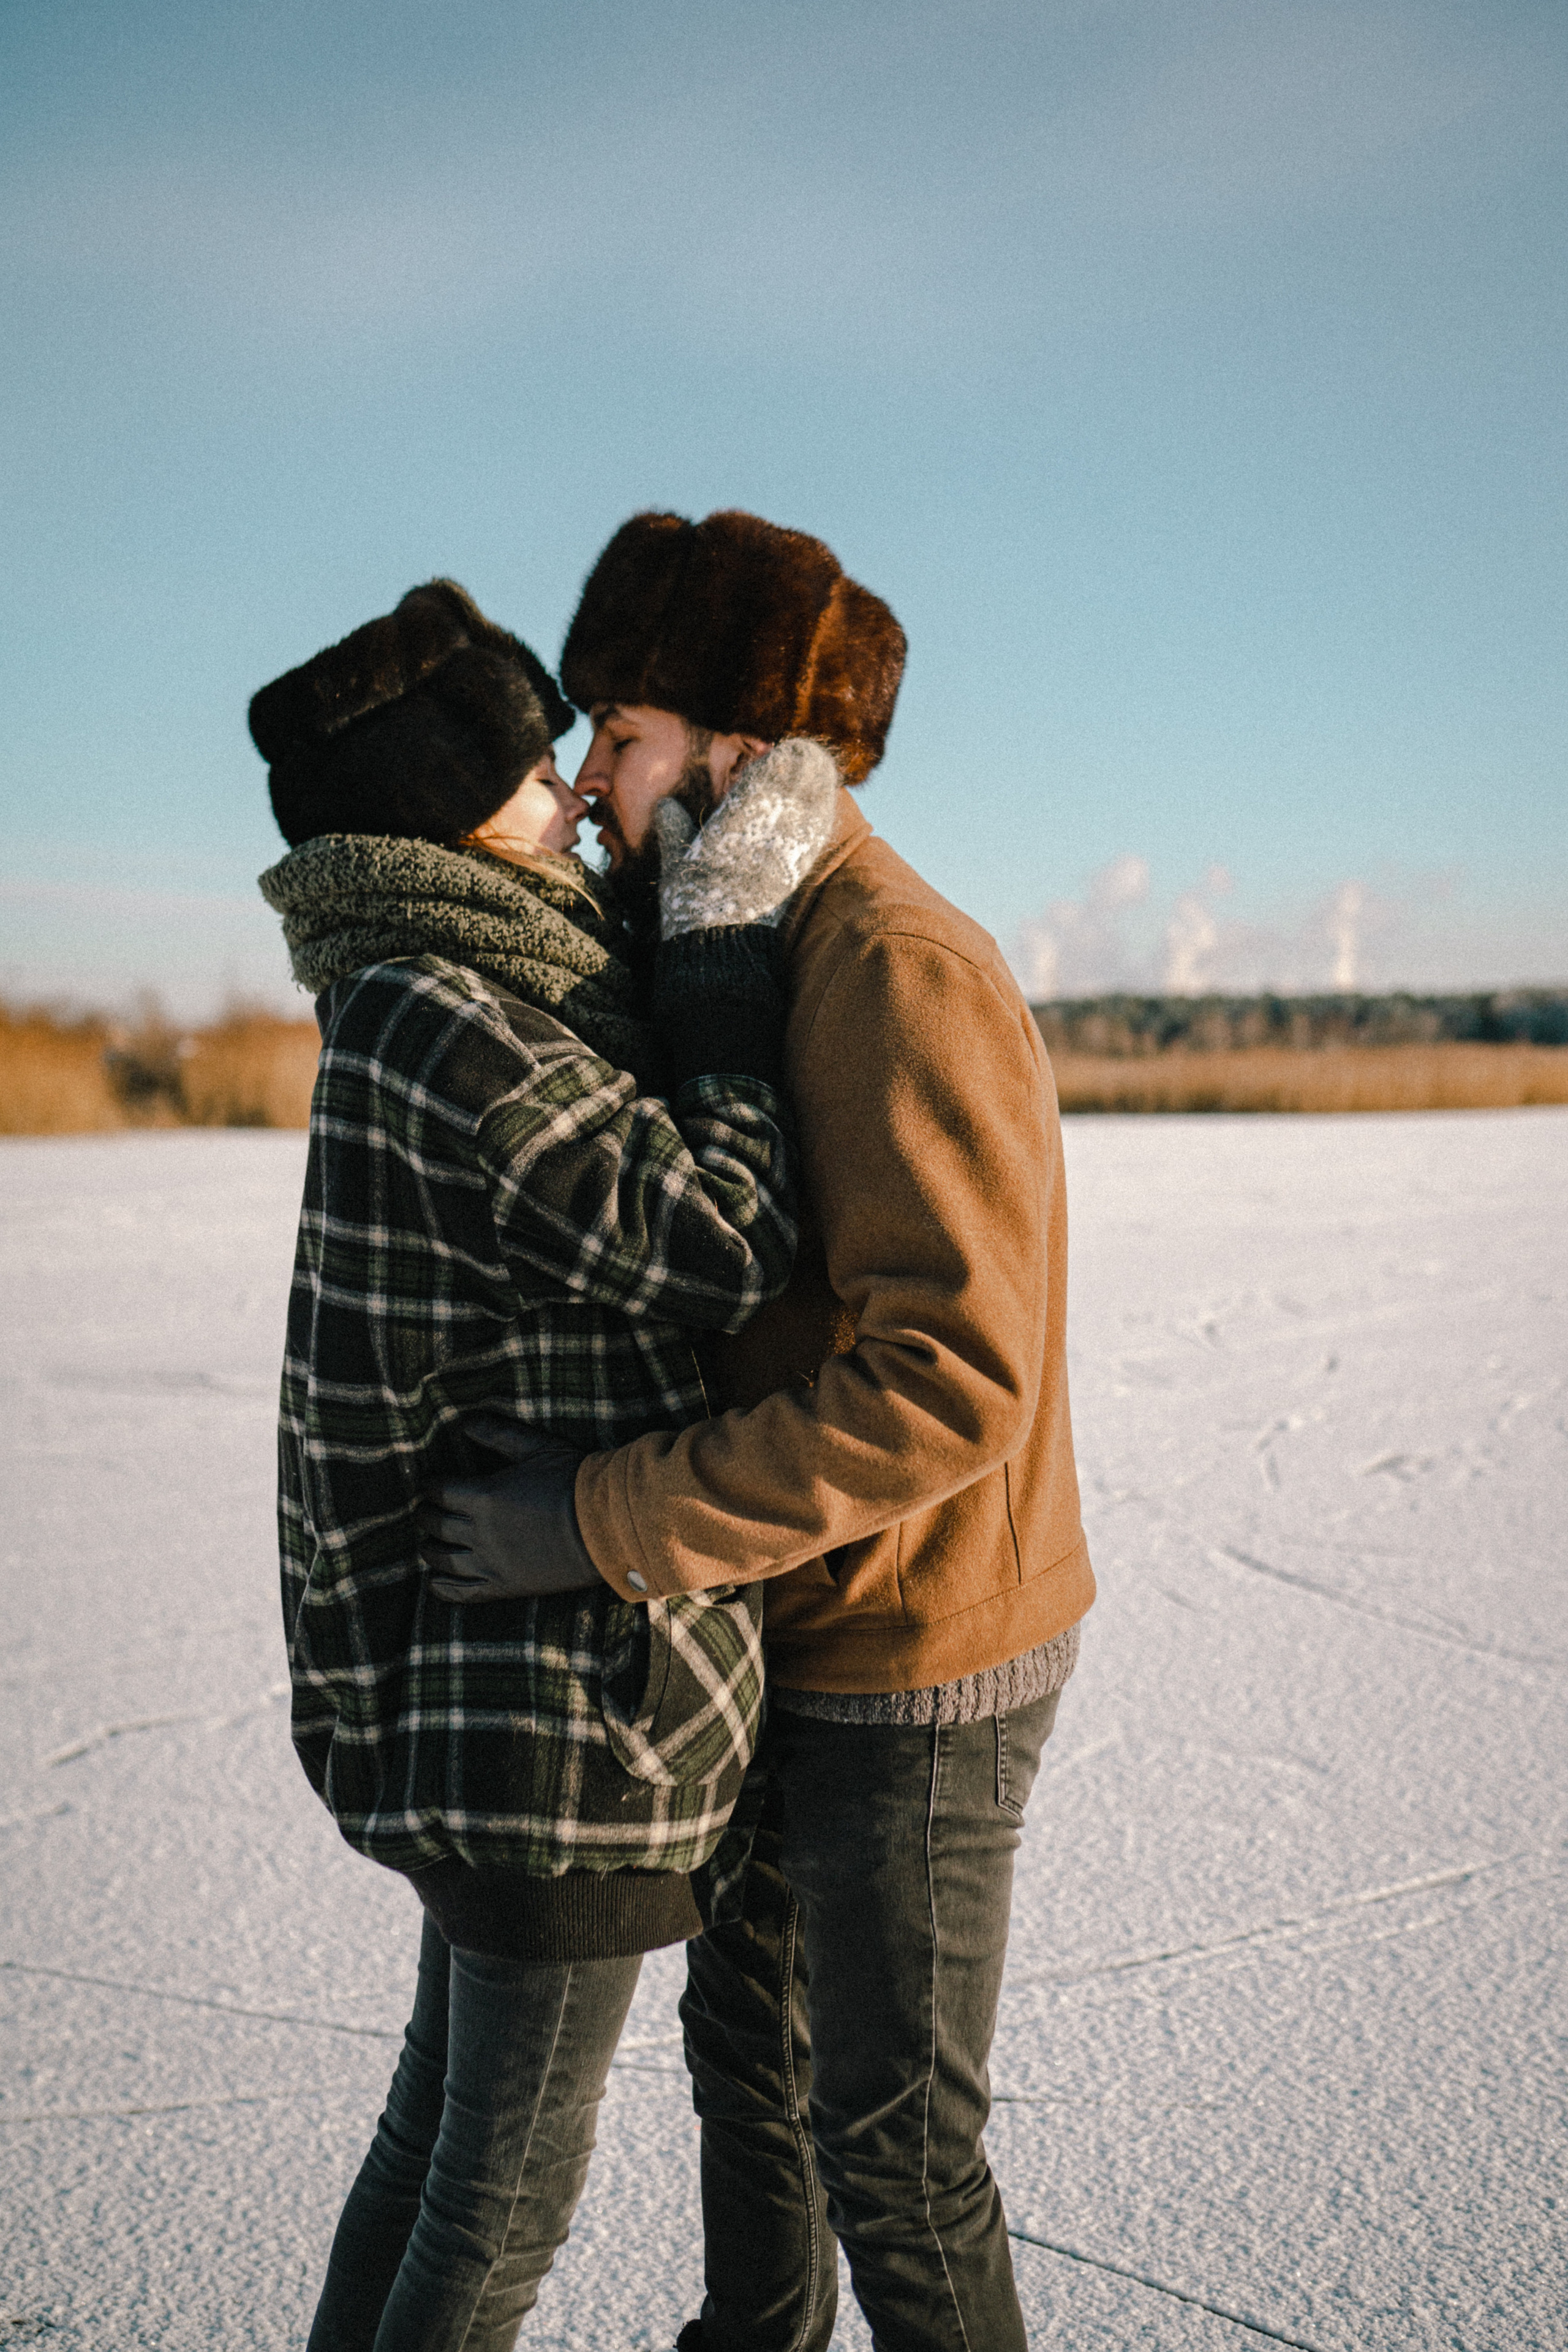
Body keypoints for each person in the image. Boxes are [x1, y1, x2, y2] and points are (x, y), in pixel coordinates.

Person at [424, 511, 1096, 2352]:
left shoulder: (890, 963)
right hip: (771, 1625)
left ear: (735, 747)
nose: (591, 779)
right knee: (750, 2076)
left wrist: (599, 1520)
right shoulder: (731, 947)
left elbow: (954, 1375)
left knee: (896, 2150)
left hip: (914, 1659)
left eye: (624, 733)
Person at [249, 576, 840, 2351]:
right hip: (558, 1711)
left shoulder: (451, 985)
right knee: (497, 2205)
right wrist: (722, 960)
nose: (576, 791)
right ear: (445, 815)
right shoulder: (442, 1011)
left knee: (438, 2145)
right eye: (530, 774)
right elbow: (717, 1237)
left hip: (518, 1693)